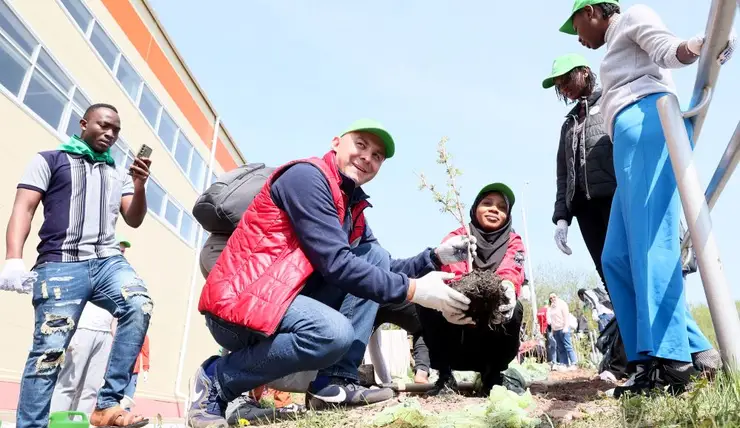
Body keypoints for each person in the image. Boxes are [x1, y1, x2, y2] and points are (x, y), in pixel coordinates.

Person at [187, 119, 475, 428]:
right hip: (241, 302)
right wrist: (416, 291)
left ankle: (334, 384)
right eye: (361, 145)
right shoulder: (306, 179)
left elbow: (383, 267)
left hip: (283, 299)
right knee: (331, 333)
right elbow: (337, 263)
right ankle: (217, 380)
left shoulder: (352, 209)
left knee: (373, 256)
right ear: (336, 142)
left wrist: (433, 257)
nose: (367, 158)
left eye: (377, 155)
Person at [559, 0, 734, 396]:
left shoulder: (633, 17)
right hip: (627, 138)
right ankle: (657, 358)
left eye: (576, 28)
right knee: (616, 257)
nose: (580, 39)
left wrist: (702, 46)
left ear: (590, 11)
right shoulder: (612, 47)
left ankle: (670, 362)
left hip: (649, 122)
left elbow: (668, 49)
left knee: (651, 245)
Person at [0, 103, 153, 428]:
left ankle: (107, 404)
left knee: (139, 304)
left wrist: (139, 185)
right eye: (103, 125)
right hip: (60, 266)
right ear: (84, 123)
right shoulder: (49, 160)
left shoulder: (117, 174)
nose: (110, 133)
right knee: (49, 354)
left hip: (106, 262)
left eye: (116, 130)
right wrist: (13, 259)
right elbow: (23, 208)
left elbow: (134, 219)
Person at [418, 182, 526, 396]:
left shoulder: (513, 241)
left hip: (491, 332)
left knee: (516, 308)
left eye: (501, 207)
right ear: (475, 208)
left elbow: (512, 269)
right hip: (456, 328)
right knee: (427, 301)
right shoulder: (458, 236)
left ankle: (492, 375)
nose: (494, 209)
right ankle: (445, 375)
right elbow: (453, 270)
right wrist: (463, 294)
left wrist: (506, 286)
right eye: (487, 203)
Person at [542, 53, 616, 291]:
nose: (564, 89)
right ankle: (626, 326)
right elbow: (563, 175)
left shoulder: (612, 100)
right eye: (559, 86)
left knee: (626, 263)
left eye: (566, 81)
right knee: (606, 270)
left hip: (614, 199)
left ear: (584, 71)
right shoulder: (569, 124)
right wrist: (562, 219)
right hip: (584, 209)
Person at [50, 237, 132, 414]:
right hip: (82, 330)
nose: (122, 252)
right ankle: (56, 422)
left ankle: (82, 423)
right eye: (119, 248)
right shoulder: (87, 265)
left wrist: (114, 338)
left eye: (124, 250)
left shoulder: (118, 276)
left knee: (91, 387)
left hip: (104, 336)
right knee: (68, 384)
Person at [368, 302, 431, 385]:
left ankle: (349, 376)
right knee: (423, 328)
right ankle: (421, 373)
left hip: (363, 299)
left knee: (367, 338)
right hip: (394, 296)